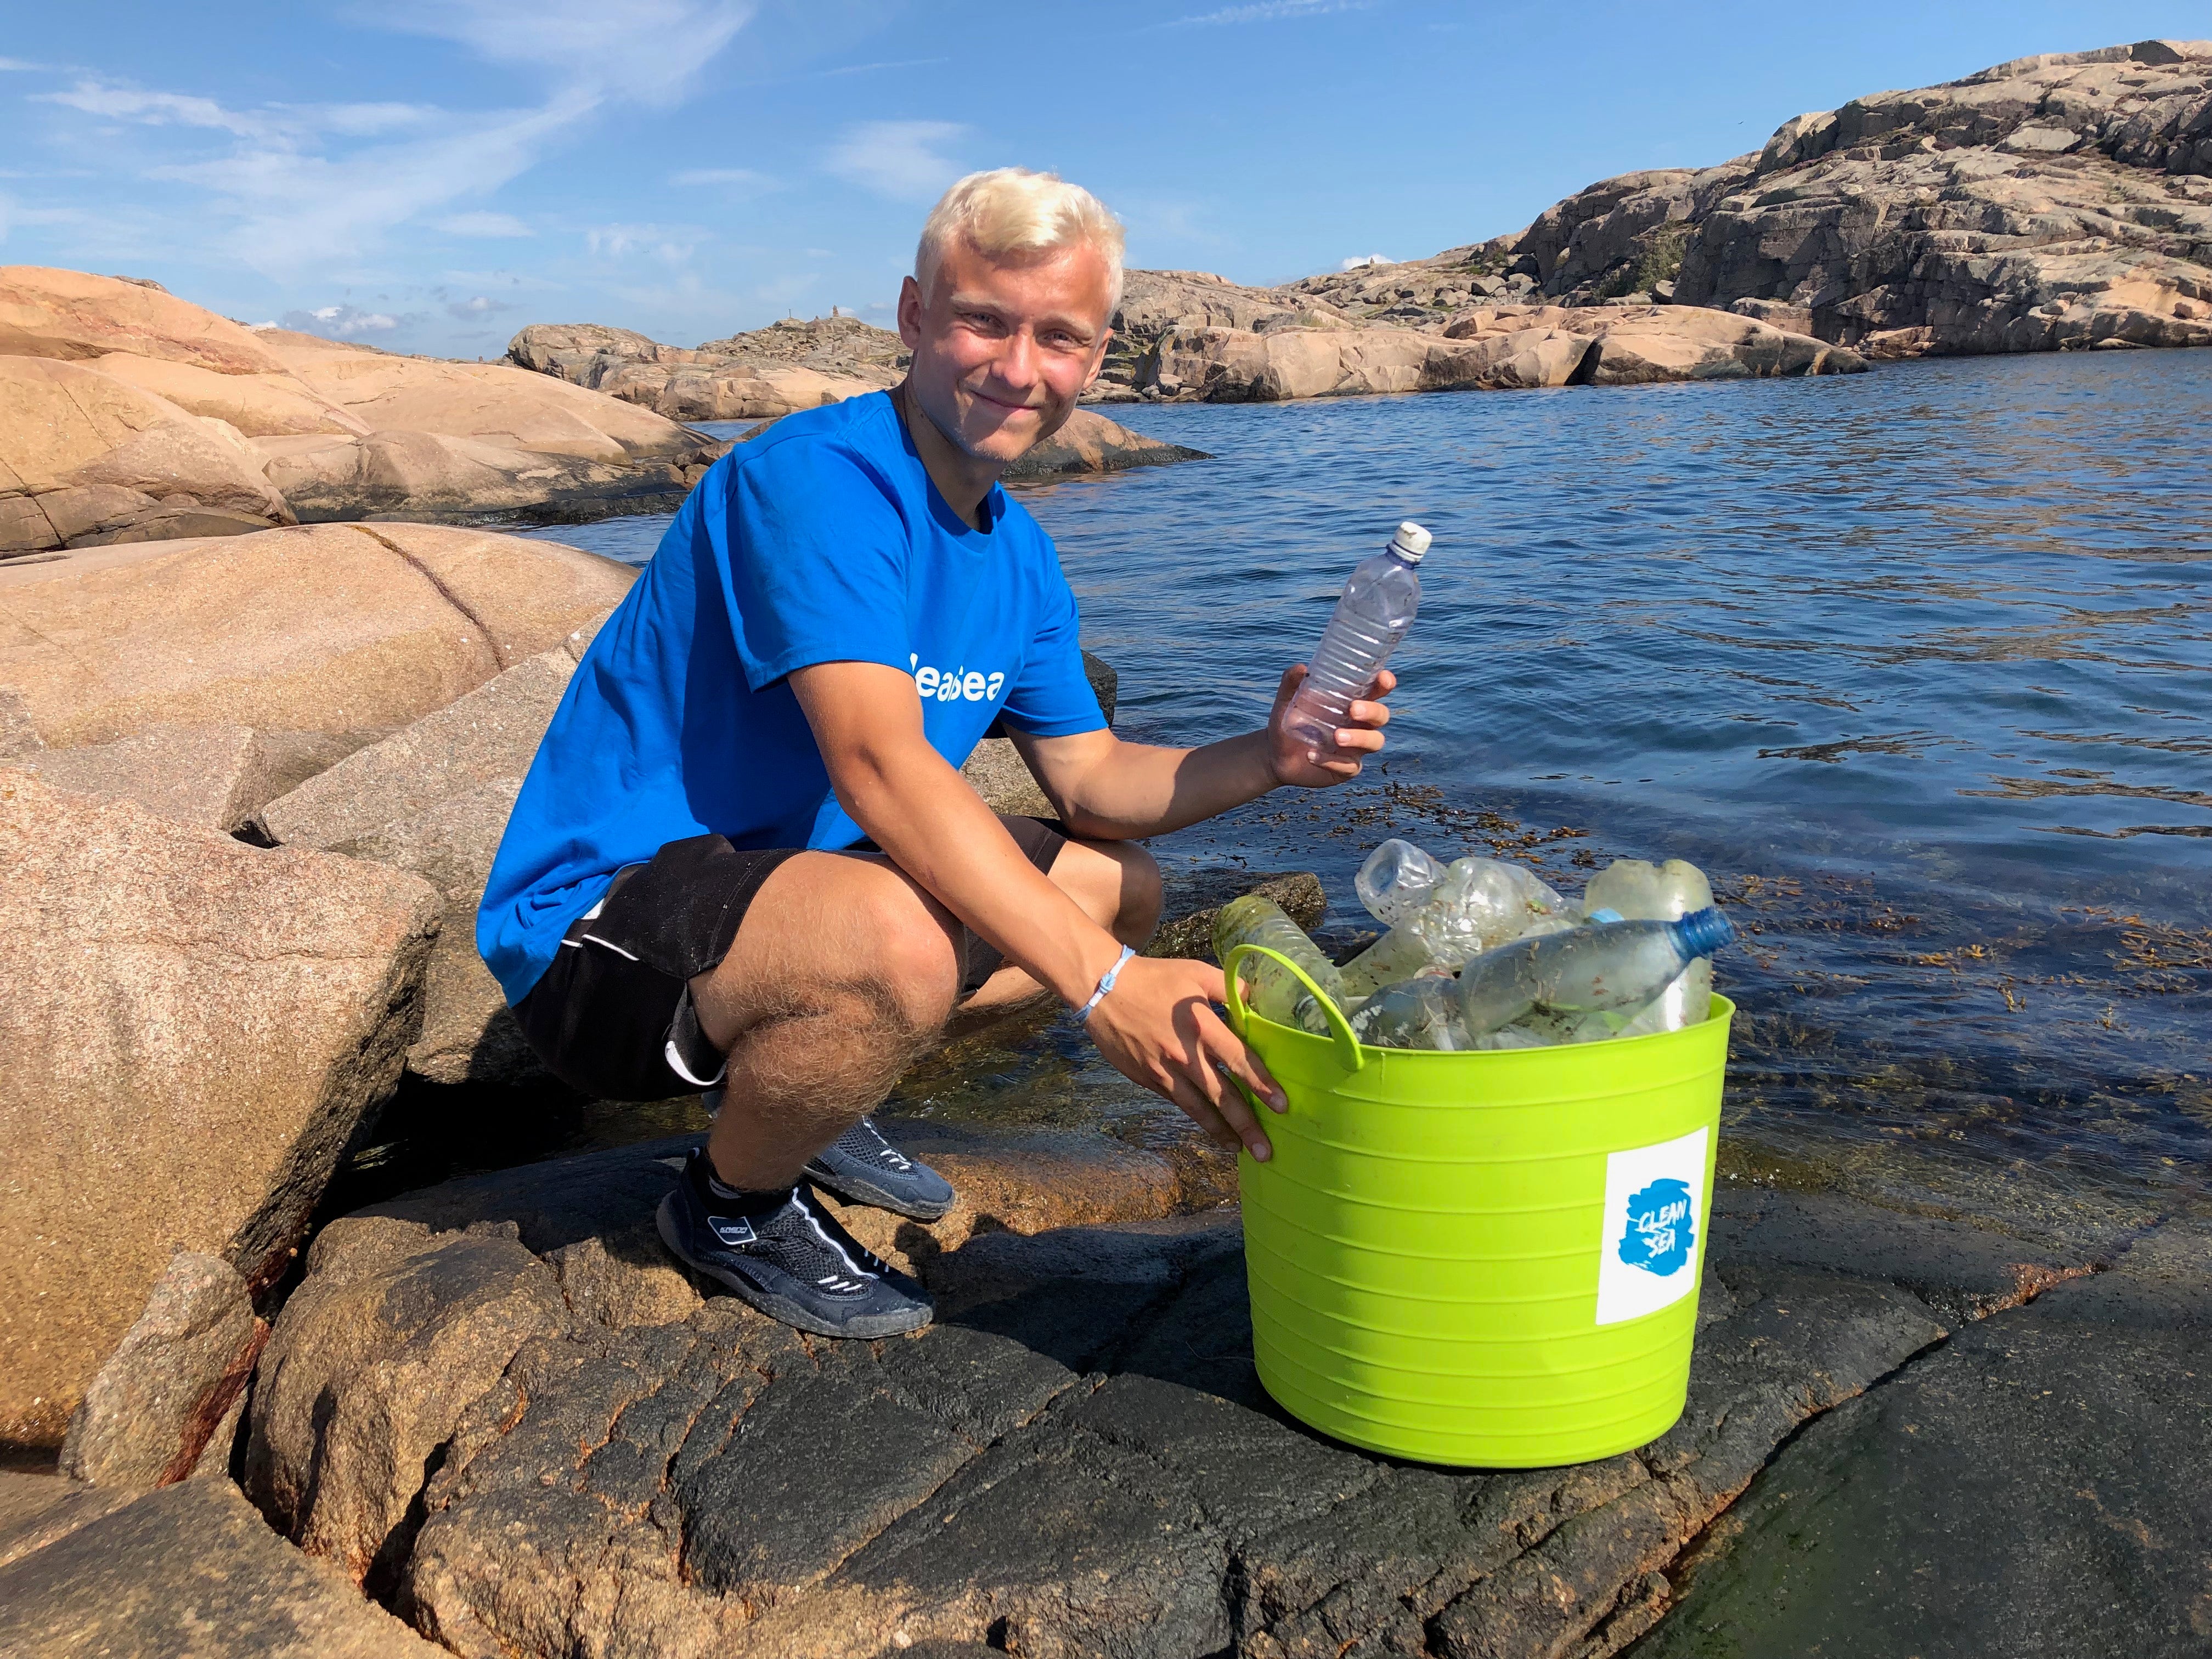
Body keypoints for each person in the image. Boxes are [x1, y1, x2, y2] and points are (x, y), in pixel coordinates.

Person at [477, 167, 1395, 1339]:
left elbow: (1093, 781)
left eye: (1057, 337)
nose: (1018, 368)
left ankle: (814, 1088)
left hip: (771, 907)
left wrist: (1269, 756)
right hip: (597, 928)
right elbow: (878, 767)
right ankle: (730, 1207)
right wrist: (1106, 991)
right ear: (915, 320)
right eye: (984, 321)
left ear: (1096, 358)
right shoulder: (819, 482)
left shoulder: (1018, 560)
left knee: (1121, 884)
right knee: (912, 944)